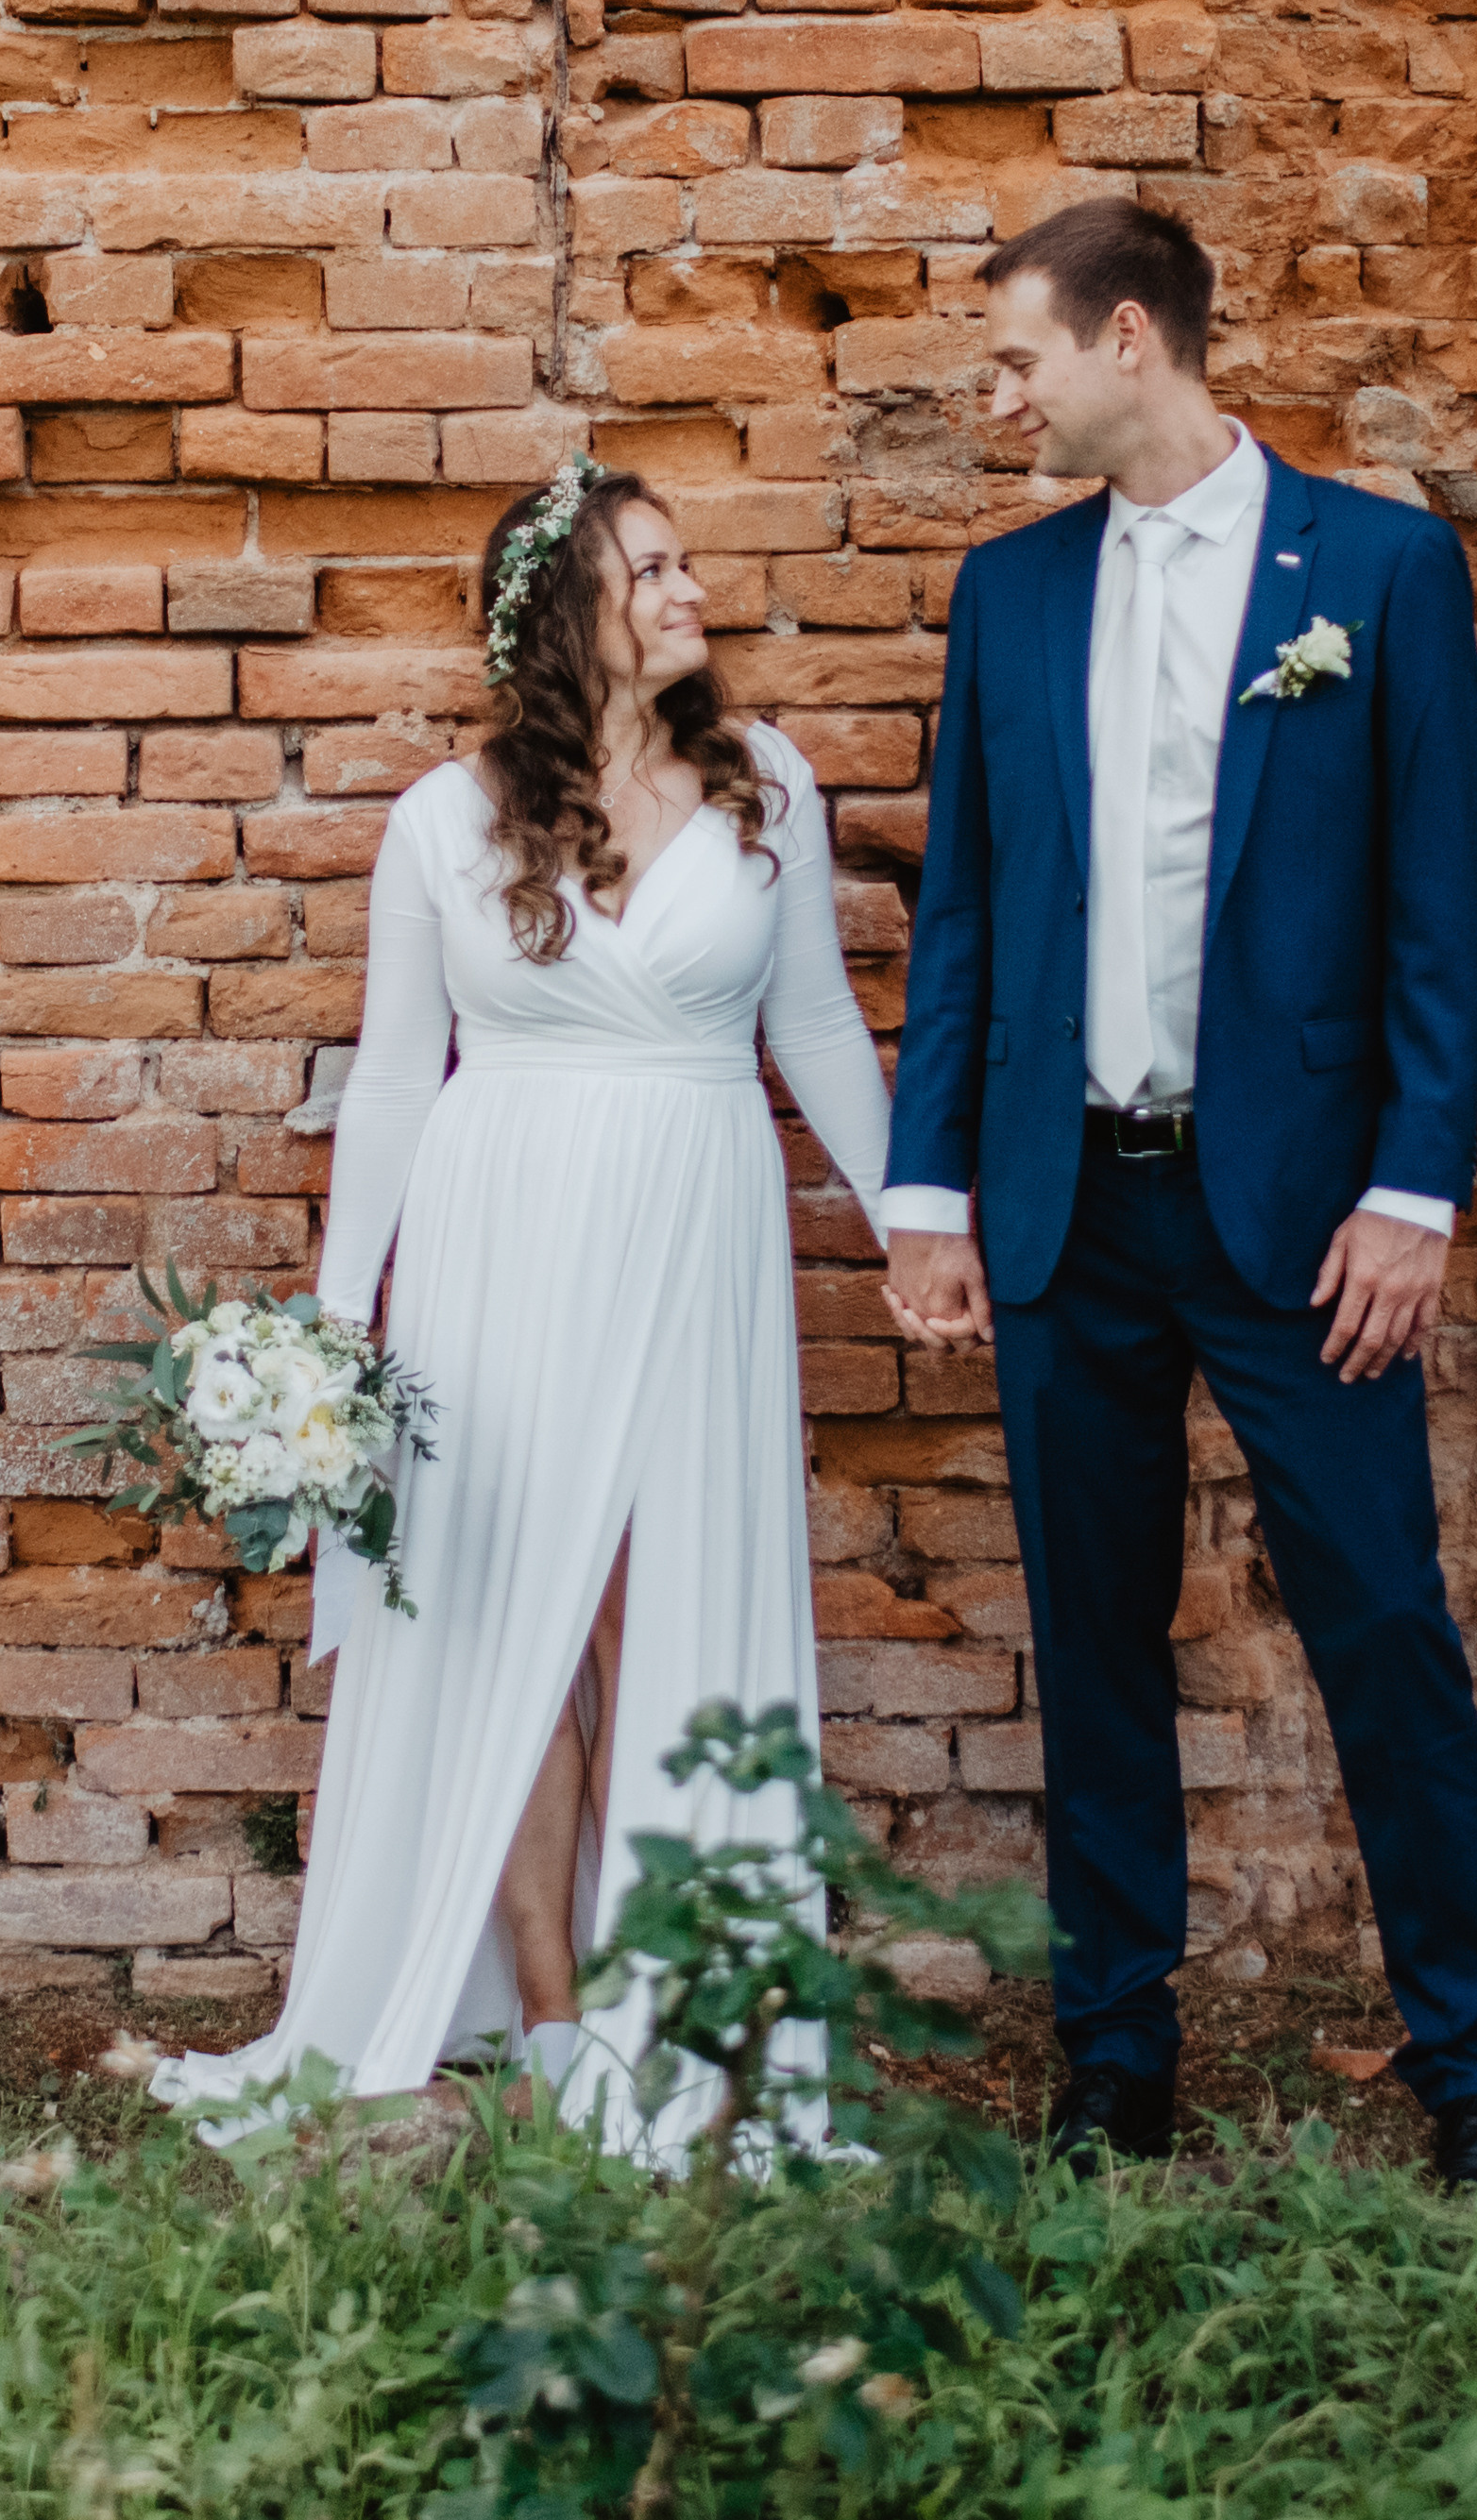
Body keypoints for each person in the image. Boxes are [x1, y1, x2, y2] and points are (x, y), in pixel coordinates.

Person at [880, 202, 1477, 2195]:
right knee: (1090, 1641)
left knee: (1385, 1630)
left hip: (1302, 1216)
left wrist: (1416, 1189)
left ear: (1133, 339)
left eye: (1020, 363)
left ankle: (1473, 2067)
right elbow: (968, 910)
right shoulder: (1007, 597)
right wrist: (929, 1188)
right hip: (1069, 1206)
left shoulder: (1382, 571)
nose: (999, 402)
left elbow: (1439, 907)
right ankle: (1116, 2062)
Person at [153, 462, 891, 2156]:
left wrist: (916, 1218)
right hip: (498, 1237)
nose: (693, 590)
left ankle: (664, 1996)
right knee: (512, 1623)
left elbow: (824, 1033)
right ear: (566, 616)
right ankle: (550, 2005)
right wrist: (341, 1327)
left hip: (695, 1220)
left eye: (686, 559)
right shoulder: (444, 817)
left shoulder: (765, 782)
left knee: (659, 1608)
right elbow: (399, 1083)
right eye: (655, 569)